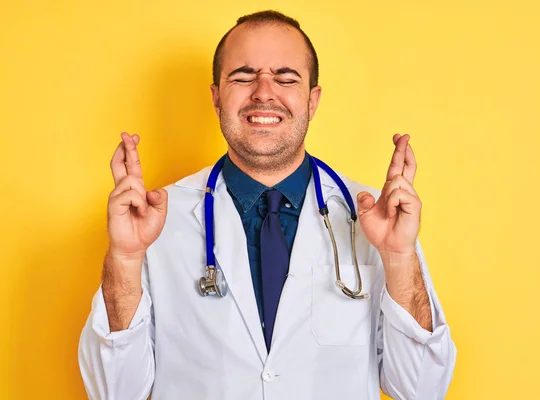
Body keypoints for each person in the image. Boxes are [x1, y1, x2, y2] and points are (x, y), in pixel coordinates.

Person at [78, 10, 456, 400]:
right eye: (242, 76)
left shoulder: (375, 219)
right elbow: (115, 393)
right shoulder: (154, 218)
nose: (263, 92)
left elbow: (423, 390)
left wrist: (398, 257)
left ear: (312, 100)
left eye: (286, 77)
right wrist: (124, 259)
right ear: (215, 96)